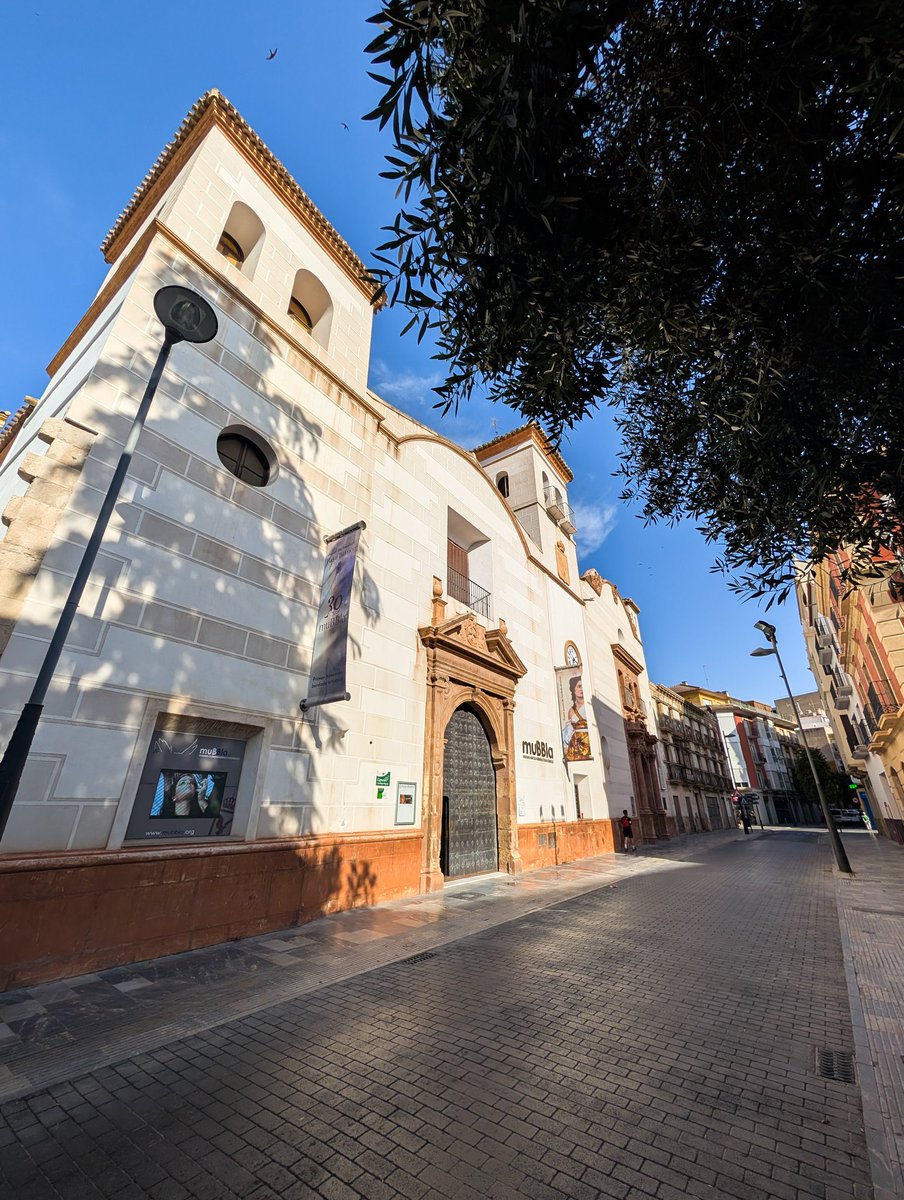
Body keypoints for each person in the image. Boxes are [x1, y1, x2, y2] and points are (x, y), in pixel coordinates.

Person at [562, 675, 590, 760]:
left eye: (582, 686)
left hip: (588, 742)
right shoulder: (571, 710)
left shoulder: (588, 706)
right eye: (579, 686)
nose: (581, 689)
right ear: (573, 689)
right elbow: (569, 729)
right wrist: (566, 746)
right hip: (576, 744)